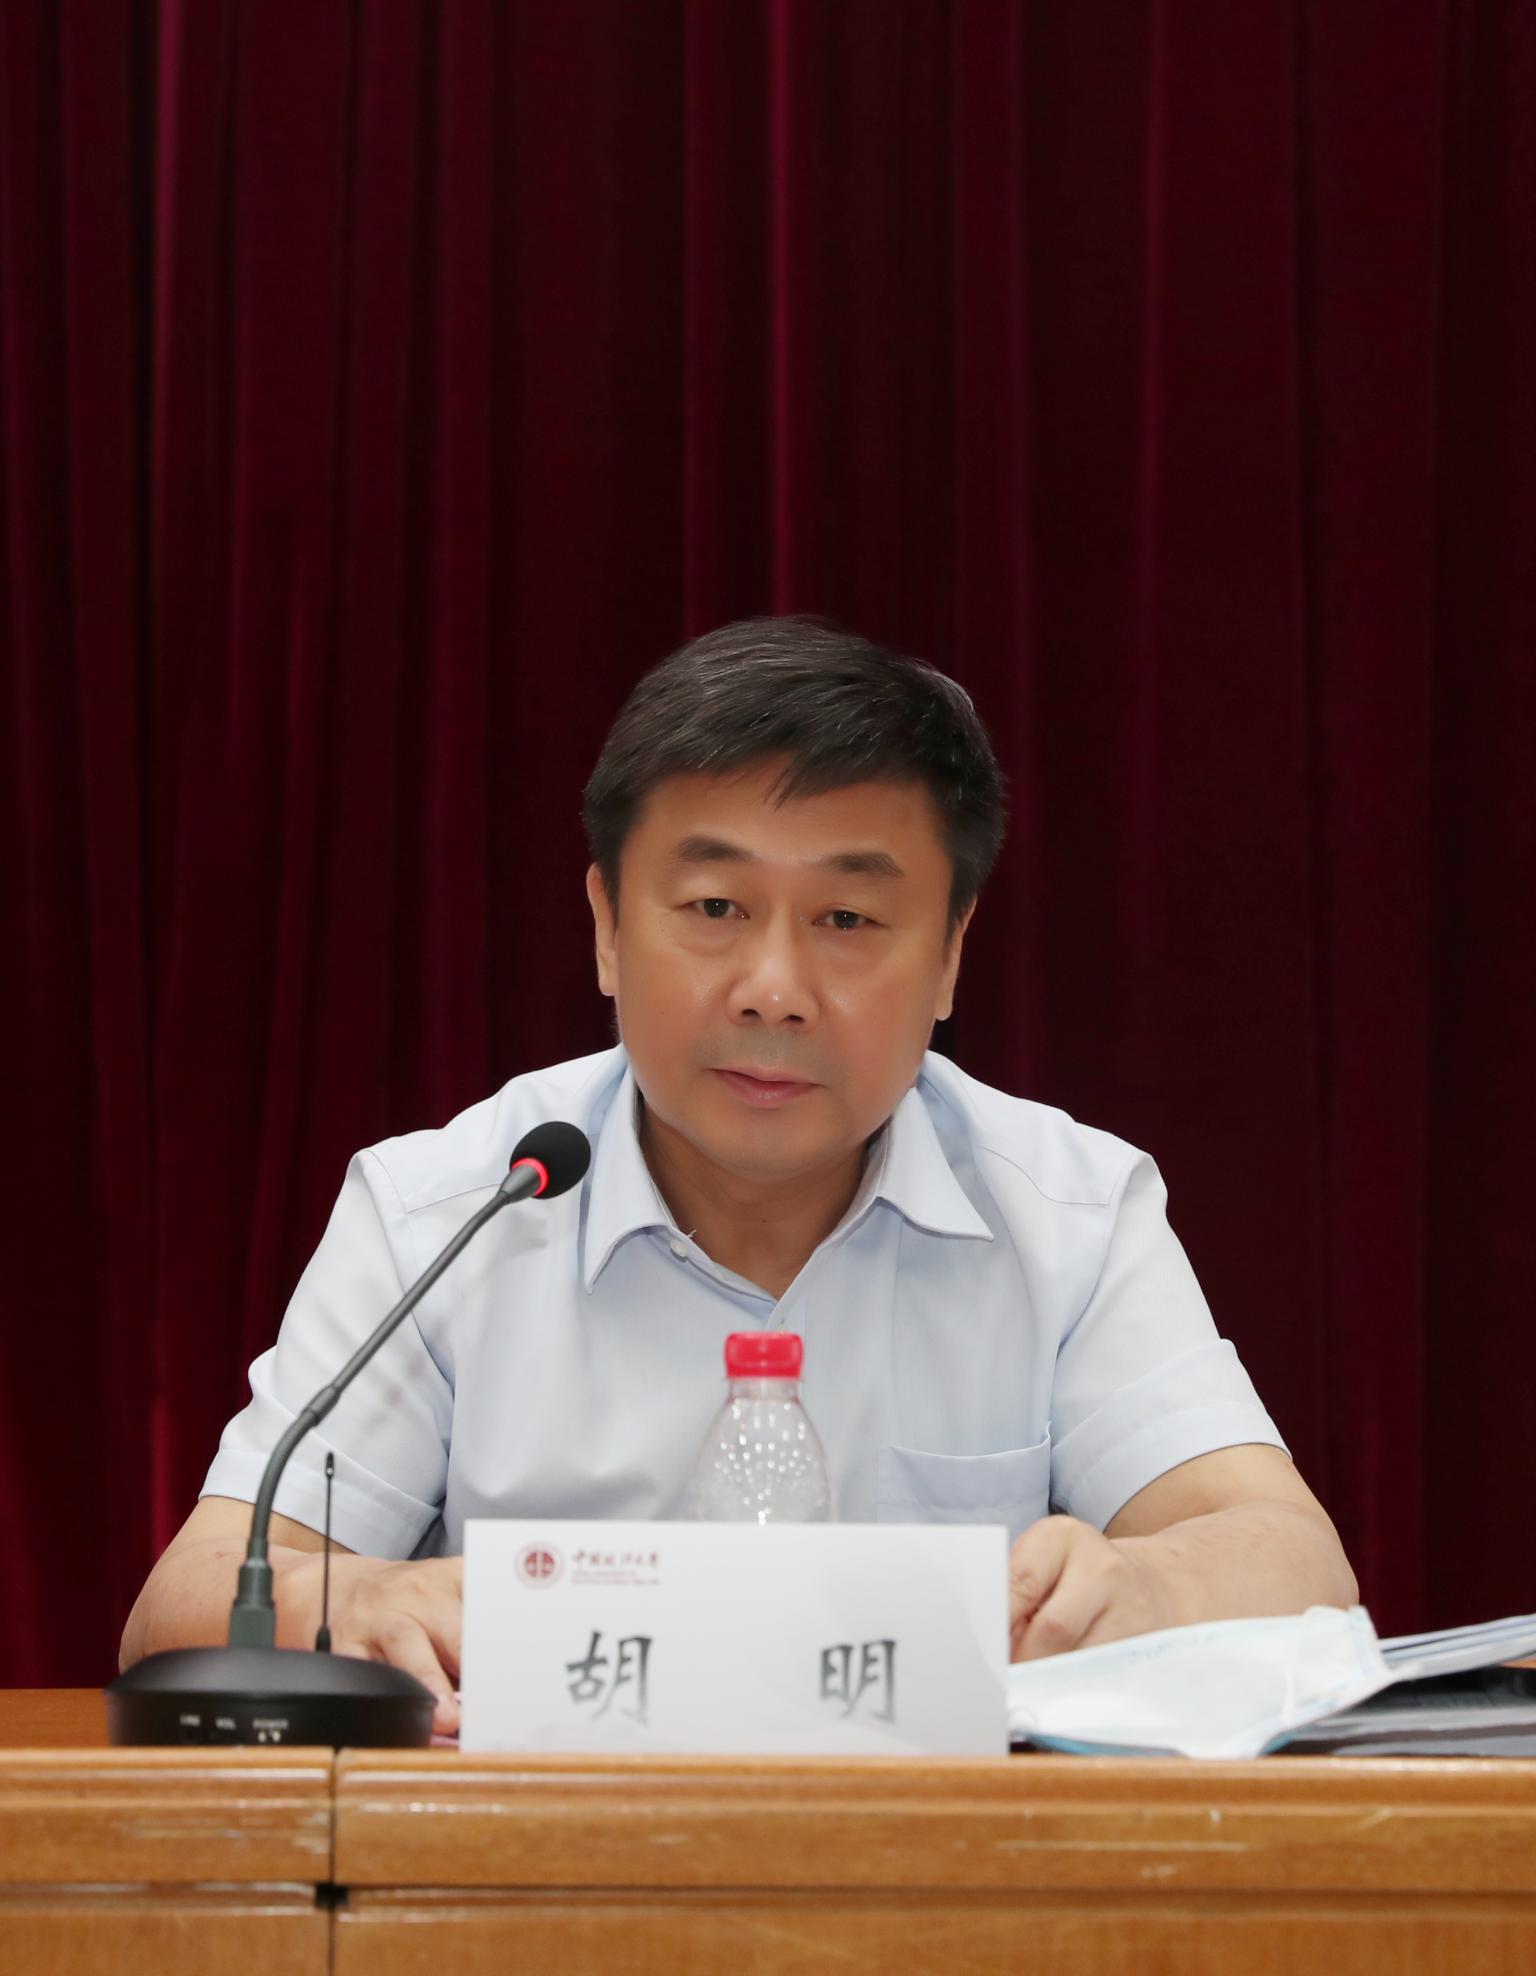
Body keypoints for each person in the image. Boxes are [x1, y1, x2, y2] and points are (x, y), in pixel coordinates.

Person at [120, 617, 1357, 1734]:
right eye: (714, 906)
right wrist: (357, 1600)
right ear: (608, 927)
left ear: (949, 956)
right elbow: (187, 1600)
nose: (774, 988)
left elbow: (1297, 1566)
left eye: (847, 920)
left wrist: (1140, 1583)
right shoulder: (451, 1207)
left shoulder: (1068, 1213)